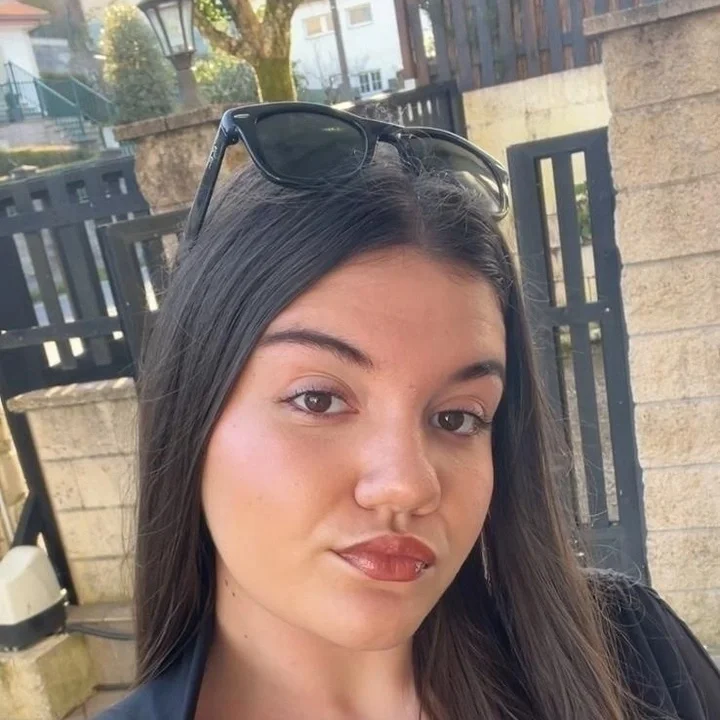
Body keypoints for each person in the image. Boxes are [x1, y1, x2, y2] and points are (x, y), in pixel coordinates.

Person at [98, 104, 720, 720]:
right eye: (318, 399)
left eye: (457, 418)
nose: (408, 485)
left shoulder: (632, 657)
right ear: (193, 418)